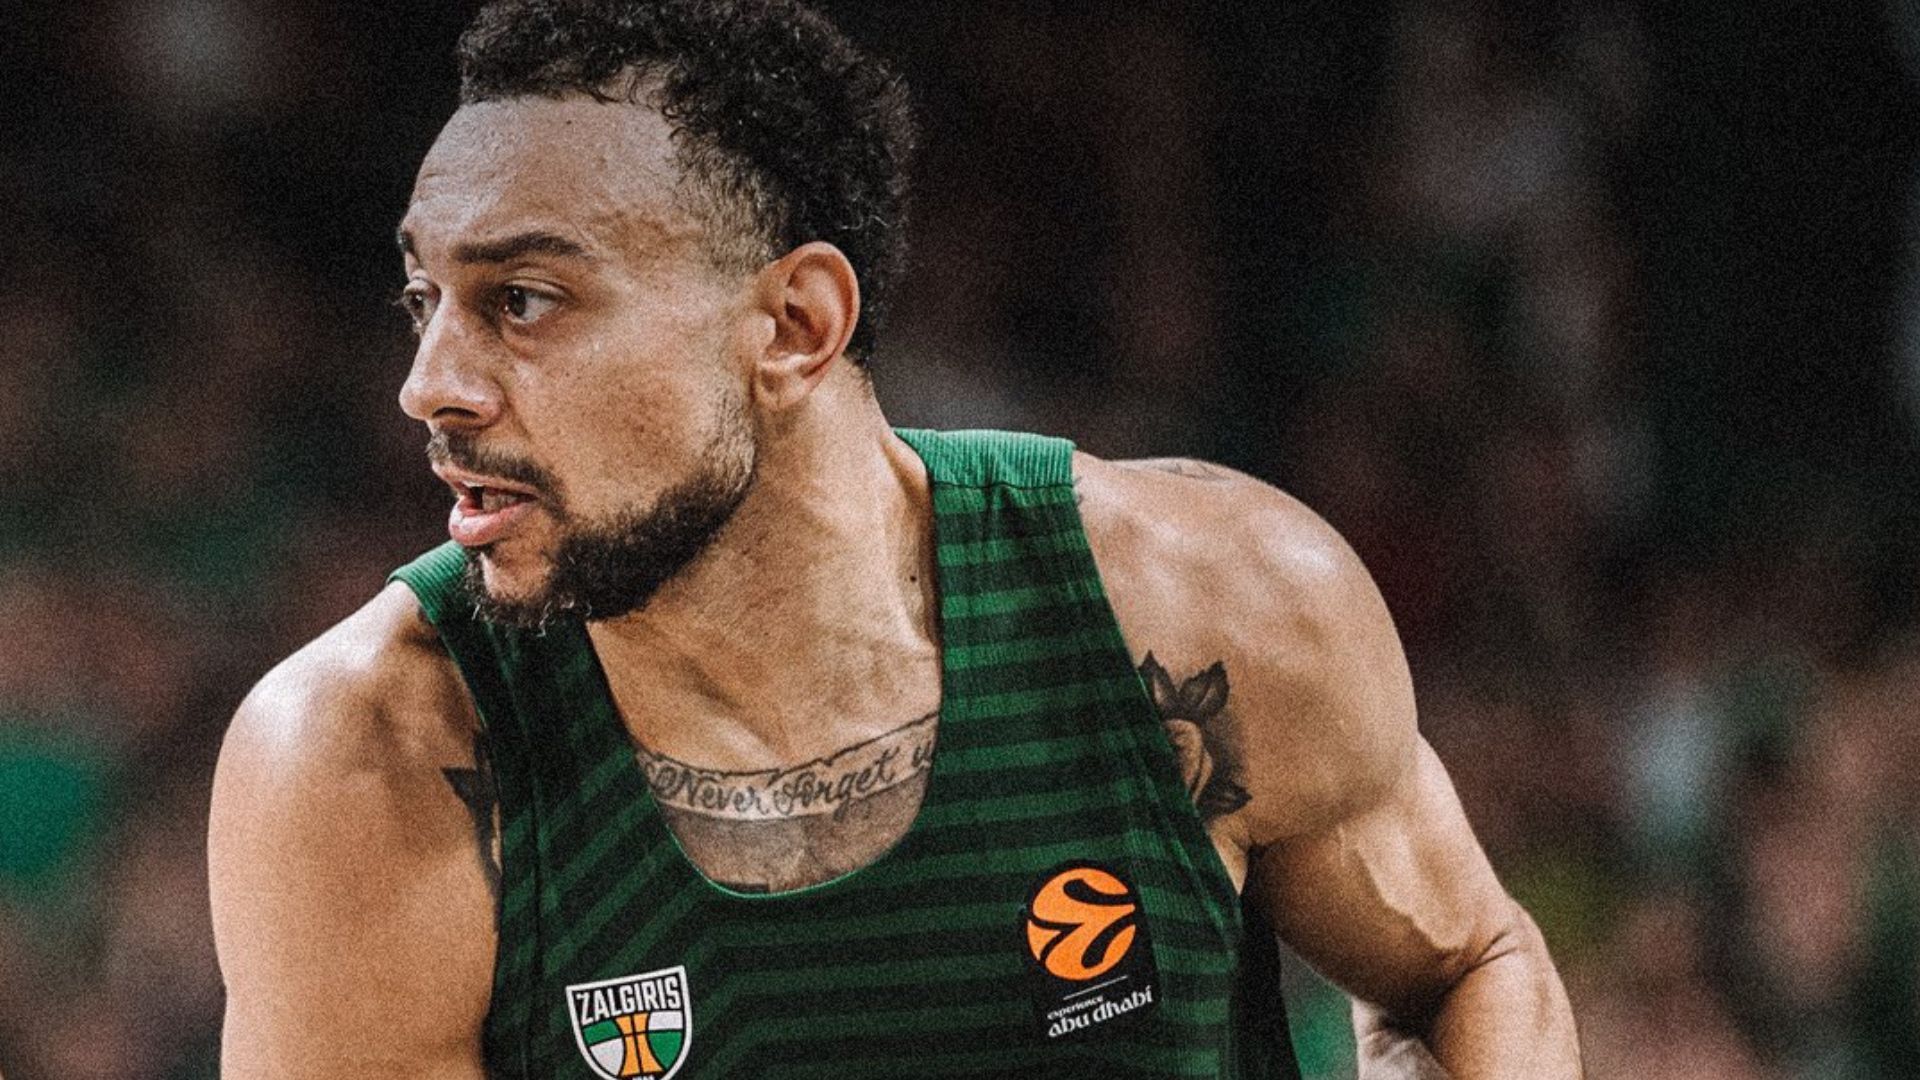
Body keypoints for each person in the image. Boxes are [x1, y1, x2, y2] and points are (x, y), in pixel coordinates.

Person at [208, 1, 1582, 1076]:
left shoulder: (1203, 600)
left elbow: (1468, 967)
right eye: (424, 300)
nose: (430, 384)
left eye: (521, 300)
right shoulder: (363, 762)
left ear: (794, 325)